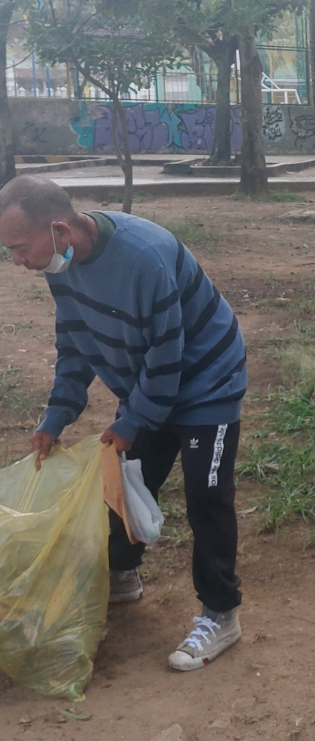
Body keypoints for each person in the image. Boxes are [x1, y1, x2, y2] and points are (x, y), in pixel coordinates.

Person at [0, 176, 248, 670]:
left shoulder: (145, 257)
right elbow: (75, 342)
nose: (17, 261)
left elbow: (167, 352)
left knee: (207, 497)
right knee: (121, 481)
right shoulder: (59, 264)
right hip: (148, 383)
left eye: (20, 248)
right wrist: (56, 416)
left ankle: (221, 614)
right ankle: (123, 575)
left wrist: (134, 420)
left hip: (207, 382)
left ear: (59, 230)